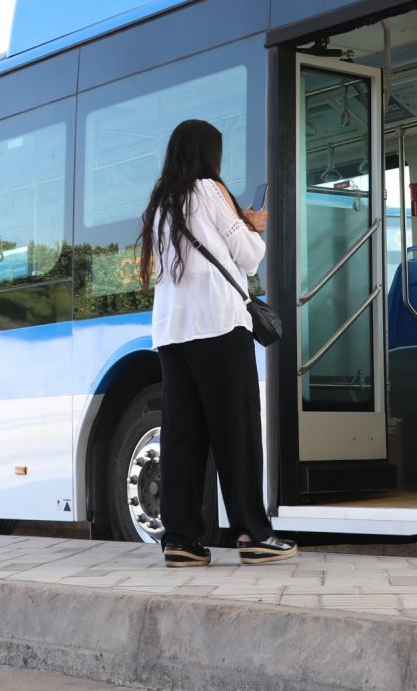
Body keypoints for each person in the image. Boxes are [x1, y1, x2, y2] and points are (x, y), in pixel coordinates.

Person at [138, 119, 297, 568]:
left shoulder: (161, 204)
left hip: (172, 334)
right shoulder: (210, 190)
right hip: (219, 327)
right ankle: (252, 533)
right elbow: (248, 256)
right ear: (209, 155)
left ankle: (182, 539)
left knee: (184, 437)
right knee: (237, 432)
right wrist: (253, 225)